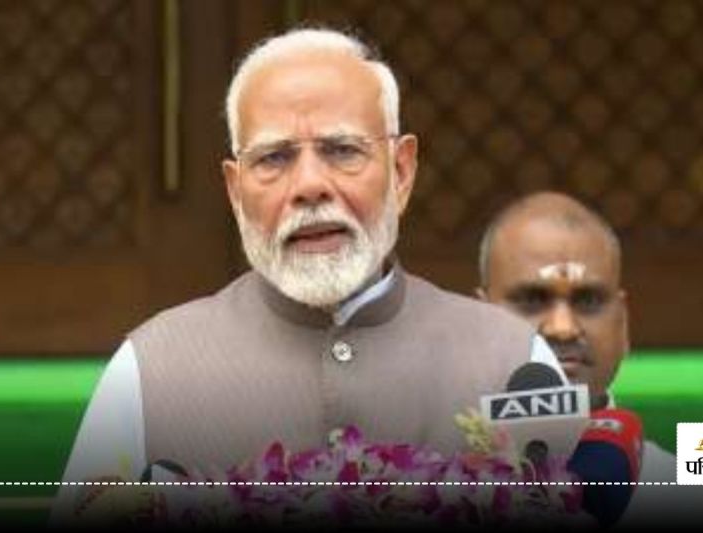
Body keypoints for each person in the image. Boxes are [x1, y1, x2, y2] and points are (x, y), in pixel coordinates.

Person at [51, 28, 567, 523]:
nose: (310, 186)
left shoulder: (514, 362)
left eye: (342, 151)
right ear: (235, 191)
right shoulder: (152, 370)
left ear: (401, 171)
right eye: (274, 158)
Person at [476, 192, 681, 524]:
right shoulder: (419, 485)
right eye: (532, 299)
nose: (563, 328)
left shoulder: (694, 492)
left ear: (622, 322)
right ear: (479, 318)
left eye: (588, 301)